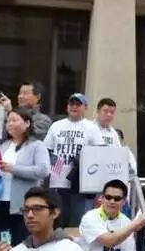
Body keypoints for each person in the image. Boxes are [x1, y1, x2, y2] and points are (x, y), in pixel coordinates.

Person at [0, 108, 51, 251]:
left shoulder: (36, 145)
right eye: (8, 121)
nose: (10, 124)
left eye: (14, 120)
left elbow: (43, 170)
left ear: (27, 123)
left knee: (20, 244)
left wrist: (13, 169)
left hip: (22, 205)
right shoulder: (0, 145)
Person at [44, 93, 104, 226]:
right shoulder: (56, 126)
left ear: (85, 108)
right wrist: (55, 170)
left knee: (79, 221)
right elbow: (47, 150)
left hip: (81, 182)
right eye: (71, 104)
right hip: (58, 181)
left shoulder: (92, 127)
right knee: (58, 221)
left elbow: (100, 154)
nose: (74, 107)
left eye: (78, 104)